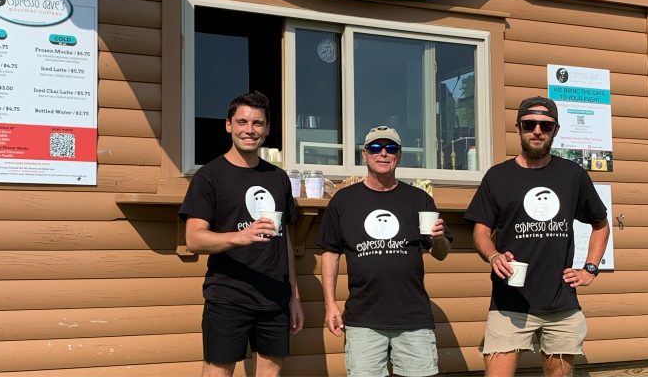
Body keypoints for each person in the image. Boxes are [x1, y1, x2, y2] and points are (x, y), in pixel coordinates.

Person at [464, 96, 610, 377]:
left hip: (561, 303)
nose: (537, 131)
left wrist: (590, 268)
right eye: (530, 124)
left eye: (545, 125)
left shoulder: (572, 175)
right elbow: (480, 232)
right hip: (509, 301)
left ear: (555, 130)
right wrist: (493, 255)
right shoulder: (498, 177)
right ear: (518, 127)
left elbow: (600, 224)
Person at [179, 90, 304, 377]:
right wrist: (240, 236)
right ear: (229, 125)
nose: (250, 130)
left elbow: (285, 241)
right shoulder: (209, 176)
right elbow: (194, 238)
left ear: (267, 129)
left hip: (274, 297)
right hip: (228, 296)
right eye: (242, 122)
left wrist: (293, 297)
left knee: (271, 372)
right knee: (218, 371)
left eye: (257, 123)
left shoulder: (278, 178)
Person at [319, 125, 453, 377]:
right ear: (365, 154)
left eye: (391, 148)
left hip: (413, 317)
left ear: (399, 155)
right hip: (363, 318)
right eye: (376, 148)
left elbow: (441, 253)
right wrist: (330, 305)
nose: (383, 153)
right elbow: (330, 253)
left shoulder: (418, 199)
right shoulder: (344, 201)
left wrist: (439, 238)